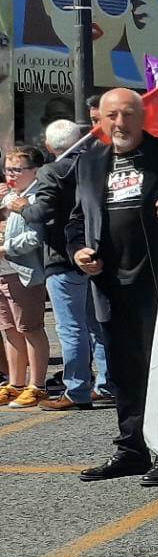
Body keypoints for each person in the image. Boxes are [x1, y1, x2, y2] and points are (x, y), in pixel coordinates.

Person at [69, 88, 158, 485]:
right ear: (100, 119)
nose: (119, 123)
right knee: (124, 371)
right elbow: (76, 220)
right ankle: (131, 449)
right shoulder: (90, 162)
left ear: (143, 116)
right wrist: (79, 250)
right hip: (111, 283)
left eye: (127, 115)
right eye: (111, 116)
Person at [11, 120, 112, 411]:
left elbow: (43, 210)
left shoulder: (52, 170)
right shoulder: (96, 165)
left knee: (70, 328)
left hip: (62, 256)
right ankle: (105, 384)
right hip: (95, 254)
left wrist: (22, 208)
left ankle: (77, 389)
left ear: (48, 146)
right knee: (96, 325)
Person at [0, 147, 52, 409]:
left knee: (30, 327)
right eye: (8, 169)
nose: (11, 174)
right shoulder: (8, 197)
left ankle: (37, 385)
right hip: (3, 271)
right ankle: (15, 382)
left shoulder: (34, 199)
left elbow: (36, 237)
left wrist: (6, 248)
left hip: (24, 271)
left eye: (17, 169)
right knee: (9, 328)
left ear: (35, 172)